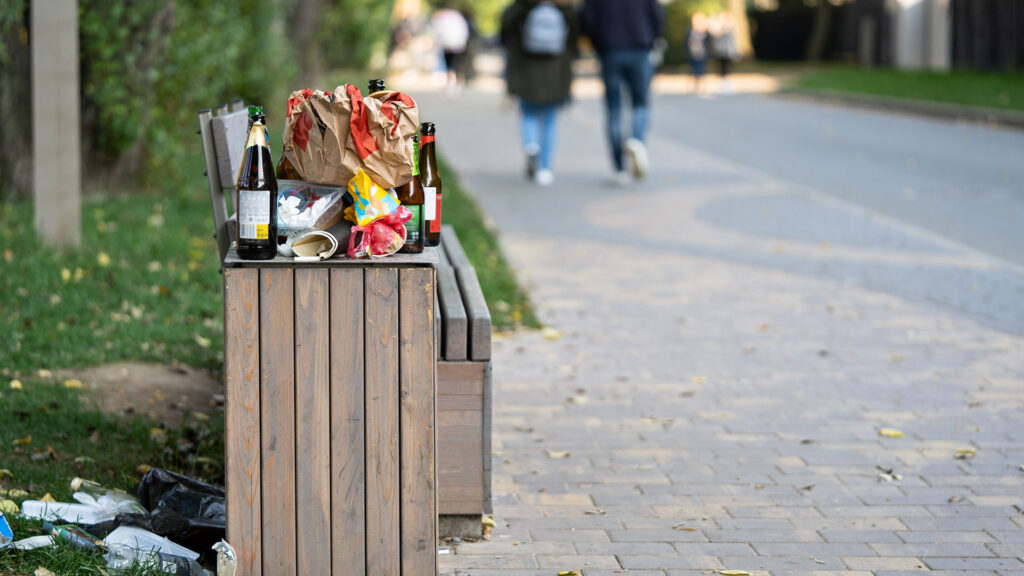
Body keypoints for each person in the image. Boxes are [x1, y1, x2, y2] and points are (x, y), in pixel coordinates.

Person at [581, 0, 664, 185]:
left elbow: (587, 21)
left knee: (614, 109)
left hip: (610, 51)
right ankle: (636, 140)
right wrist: (650, 39)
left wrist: (600, 45)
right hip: (639, 48)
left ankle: (619, 168)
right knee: (640, 104)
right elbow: (657, 16)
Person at [501, 0, 578, 187]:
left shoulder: (523, 6)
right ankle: (544, 167)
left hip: (525, 69)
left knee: (528, 113)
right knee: (549, 120)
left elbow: (505, 29)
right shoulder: (564, 8)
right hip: (555, 71)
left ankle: (531, 144)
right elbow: (575, 37)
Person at [432, 3, 470, 93]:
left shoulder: (444, 18)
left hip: (447, 45)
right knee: (456, 65)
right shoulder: (459, 18)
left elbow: (438, 32)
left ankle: (450, 84)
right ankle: (456, 83)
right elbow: (465, 31)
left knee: (449, 65)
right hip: (458, 45)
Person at [710, 11, 739, 95]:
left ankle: (728, 84)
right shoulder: (718, 29)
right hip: (721, 52)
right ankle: (722, 84)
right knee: (721, 69)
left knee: (728, 68)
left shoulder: (731, 28)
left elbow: (733, 41)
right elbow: (714, 33)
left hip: (729, 52)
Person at [686, 12, 710, 96]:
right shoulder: (690, 32)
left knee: (702, 69)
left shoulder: (706, 33)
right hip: (692, 54)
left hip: (702, 54)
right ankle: (694, 85)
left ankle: (702, 85)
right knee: (693, 69)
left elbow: (709, 44)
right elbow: (686, 42)